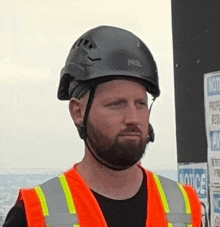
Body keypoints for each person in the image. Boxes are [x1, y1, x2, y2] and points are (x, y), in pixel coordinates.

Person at [3, 25, 202, 227]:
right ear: (78, 112)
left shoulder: (184, 207)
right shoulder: (33, 216)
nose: (133, 118)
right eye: (116, 104)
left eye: (140, 104)